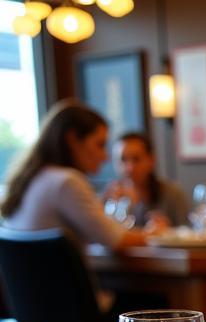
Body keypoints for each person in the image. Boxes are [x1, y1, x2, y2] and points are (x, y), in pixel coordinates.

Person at [1, 100, 147, 253]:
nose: (105, 157)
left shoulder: (34, 179)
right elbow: (114, 239)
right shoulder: (66, 182)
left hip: (31, 276)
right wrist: (155, 235)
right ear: (73, 140)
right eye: (100, 144)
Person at [104, 132, 189, 228]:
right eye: (123, 159)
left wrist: (169, 229)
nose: (129, 168)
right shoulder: (109, 197)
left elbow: (187, 231)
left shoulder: (172, 194)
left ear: (151, 160)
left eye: (136, 159)